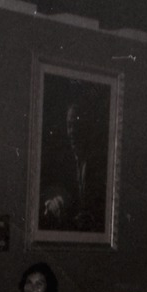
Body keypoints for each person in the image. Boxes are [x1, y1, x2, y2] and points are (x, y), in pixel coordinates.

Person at [40, 98, 107, 232]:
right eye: (69, 126)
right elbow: (57, 190)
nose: (72, 132)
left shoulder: (100, 163)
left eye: (77, 125)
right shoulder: (66, 161)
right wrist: (54, 201)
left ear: (87, 127)